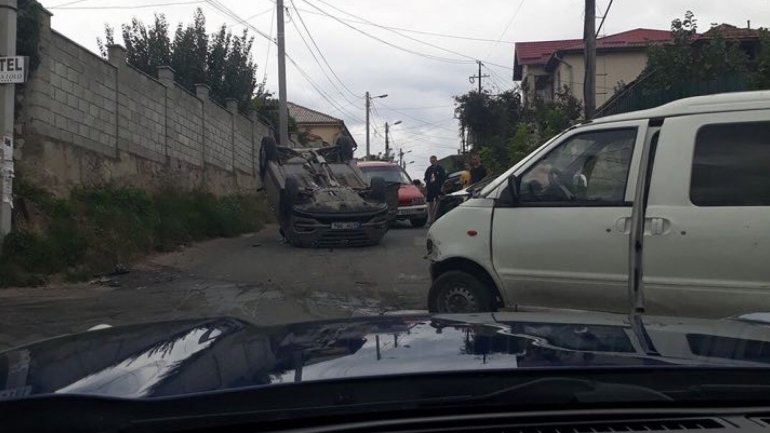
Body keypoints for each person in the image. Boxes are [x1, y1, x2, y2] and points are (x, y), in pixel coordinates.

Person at [424, 155, 447, 224]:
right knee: (430, 203)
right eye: (431, 161)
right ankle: (431, 219)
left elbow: (444, 179)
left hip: (438, 188)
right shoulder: (429, 169)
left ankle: (437, 218)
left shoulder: (440, 168)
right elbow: (425, 178)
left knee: (438, 203)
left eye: (434, 161)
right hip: (430, 188)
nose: (432, 162)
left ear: (436, 160)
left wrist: (442, 187)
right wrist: (427, 185)